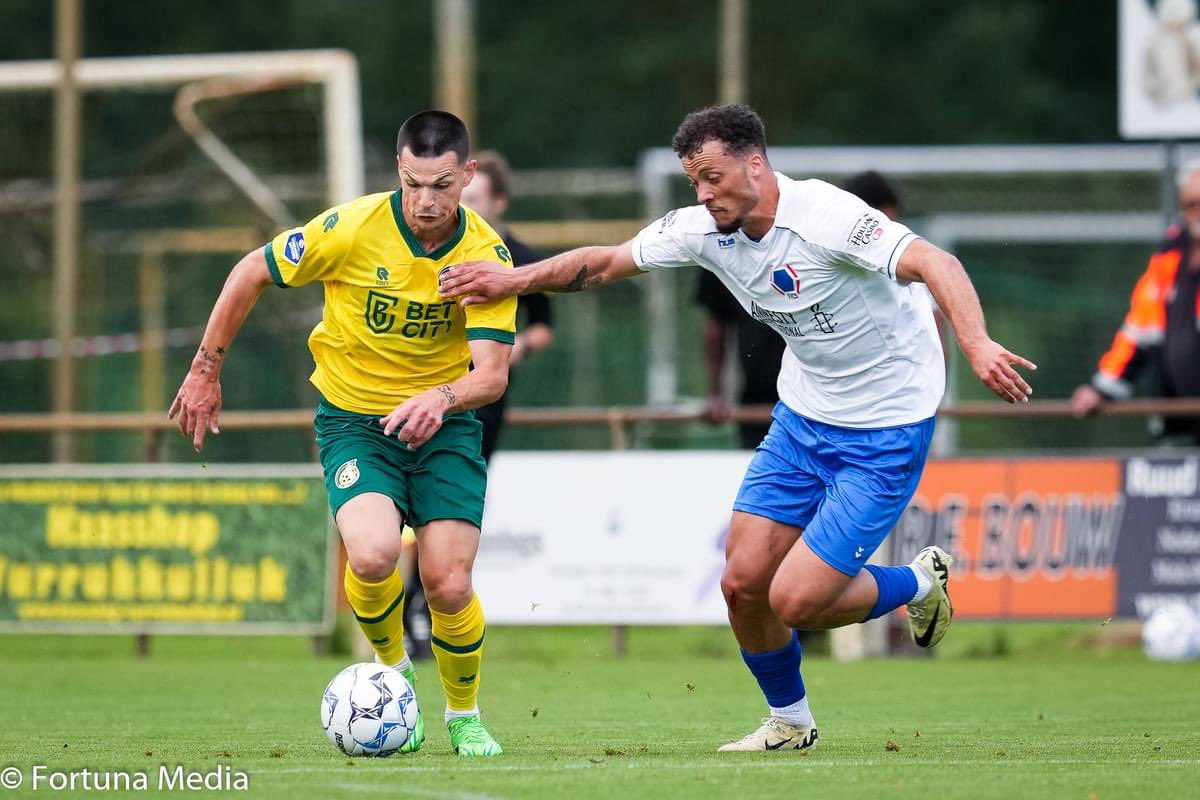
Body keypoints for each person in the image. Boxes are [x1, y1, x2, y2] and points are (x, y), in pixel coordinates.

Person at [439, 104, 1035, 752]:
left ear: (755, 164)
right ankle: (792, 722)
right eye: (693, 180)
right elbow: (607, 262)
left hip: (888, 423)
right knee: (742, 583)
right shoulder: (702, 229)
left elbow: (935, 261)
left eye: (712, 176)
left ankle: (921, 582)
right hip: (804, 417)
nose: (702, 193)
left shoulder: (827, 217)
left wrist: (976, 344)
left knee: (798, 602)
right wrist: (512, 279)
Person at [169, 110, 515, 757]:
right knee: (375, 554)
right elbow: (251, 270)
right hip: (355, 422)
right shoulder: (350, 229)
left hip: (446, 428)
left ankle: (463, 716)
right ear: (398, 170)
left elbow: (491, 375)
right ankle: (395, 673)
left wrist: (440, 398)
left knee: (448, 583)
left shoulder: (485, 256)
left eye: (441, 185)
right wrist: (205, 369)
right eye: (413, 183)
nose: (425, 200)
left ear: (468, 175)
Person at [1070, 160, 1200, 444]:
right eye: (1192, 204)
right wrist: (1102, 389)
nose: (1198, 212)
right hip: (1177, 425)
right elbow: (1137, 333)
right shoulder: (1169, 257)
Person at [460, 150, 556, 462]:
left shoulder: (523, 258)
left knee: (465, 481)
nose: (464, 207)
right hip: (429, 379)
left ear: (499, 202)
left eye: (473, 199)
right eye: (461, 197)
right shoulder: (438, 250)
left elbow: (543, 326)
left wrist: (521, 345)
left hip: (484, 394)